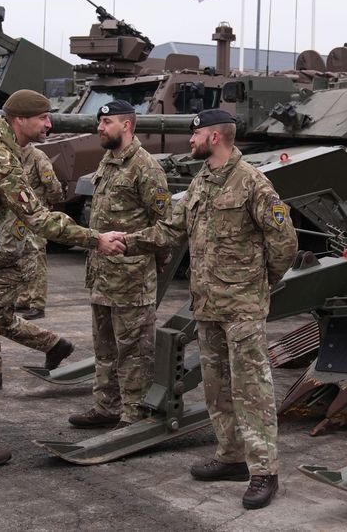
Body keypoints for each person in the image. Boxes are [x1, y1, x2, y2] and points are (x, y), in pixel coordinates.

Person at [0, 89, 126, 467]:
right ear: (19, 120)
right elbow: (39, 218)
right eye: (42, 118)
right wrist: (95, 239)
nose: (49, 124)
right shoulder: (0, 158)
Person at [123, 109, 297, 510]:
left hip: (242, 308)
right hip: (207, 305)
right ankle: (232, 457)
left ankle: (264, 471)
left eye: (196, 133)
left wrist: (257, 284)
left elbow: (284, 243)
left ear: (215, 137)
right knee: (218, 387)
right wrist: (123, 241)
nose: (191, 139)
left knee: (251, 388)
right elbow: (169, 230)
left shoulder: (252, 183)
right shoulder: (202, 181)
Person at [68, 100, 170, 430]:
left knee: (135, 352)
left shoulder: (146, 167)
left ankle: (134, 414)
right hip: (101, 277)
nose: (100, 127)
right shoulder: (109, 162)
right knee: (105, 349)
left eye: (107, 121)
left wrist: (130, 245)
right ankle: (106, 407)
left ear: (126, 125)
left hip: (131, 279)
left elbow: (165, 227)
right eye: (100, 121)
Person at [0, 143, 72, 391]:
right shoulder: (6, 173)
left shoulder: (32, 168)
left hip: (17, 257)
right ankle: (55, 345)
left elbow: (11, 249)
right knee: (3, 320)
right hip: (12, 252)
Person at [12, 144, 64, 320]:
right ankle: (24, 298)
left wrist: (45, 207)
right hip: (18, 215)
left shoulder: (38, 157)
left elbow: (53, 186)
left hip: (36, 216)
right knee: (21, 256)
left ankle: (38, 304)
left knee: (37, 256)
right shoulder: (12, 155)